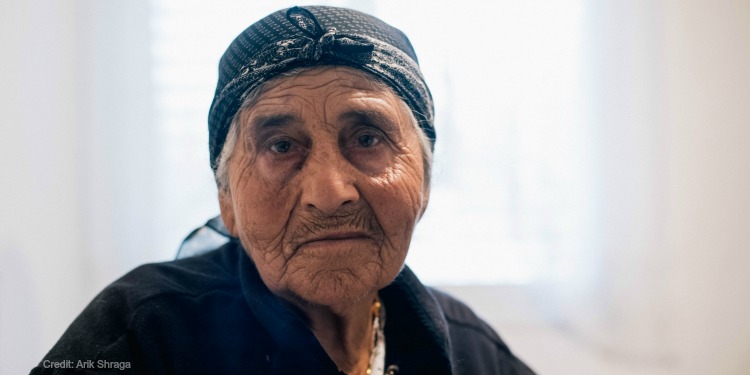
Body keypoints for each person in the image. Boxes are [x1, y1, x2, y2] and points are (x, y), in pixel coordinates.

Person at [32, 6, 535, 375]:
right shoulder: (143, 335)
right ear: (226, 200)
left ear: (422, 180)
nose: (330, 192)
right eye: (279, 145)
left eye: (366, 138)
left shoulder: (472, 352)